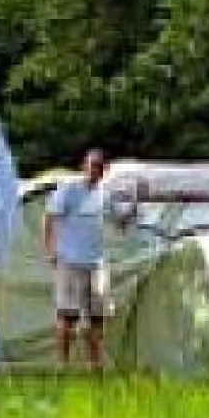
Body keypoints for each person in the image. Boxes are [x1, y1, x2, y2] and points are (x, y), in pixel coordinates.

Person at [42, 149, 143, 369]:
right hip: (70, 260)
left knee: (97, 317)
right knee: (67, 316)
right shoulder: (69, 188)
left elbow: (120, 224)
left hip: (96, 263)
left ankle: (95, 366)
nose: (95, 170)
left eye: (100, 166)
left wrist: (133, 208)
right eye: (92, 165)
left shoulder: (105, 194)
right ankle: (62, 365)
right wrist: (49, 249)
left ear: (104, 170)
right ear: (84, 166)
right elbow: (49, 217)